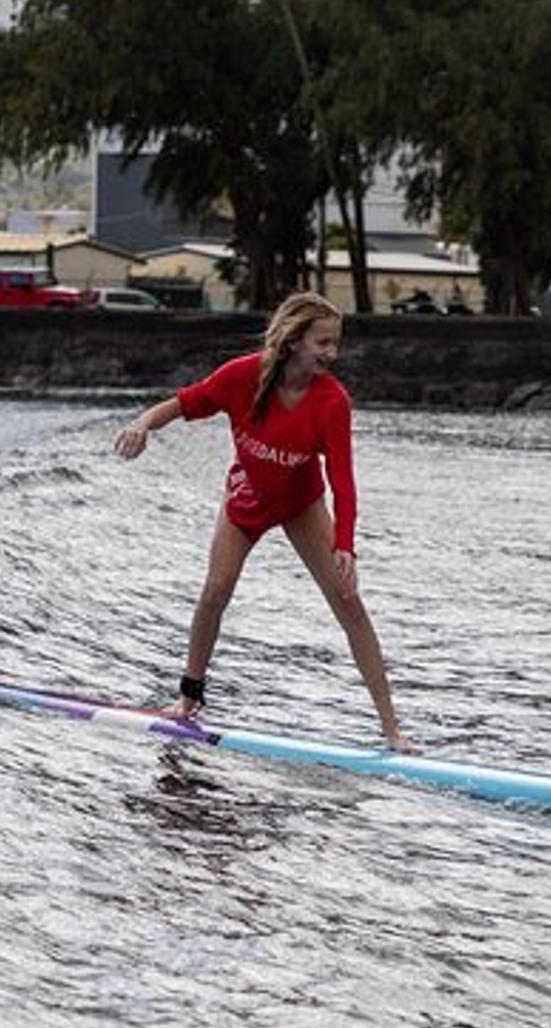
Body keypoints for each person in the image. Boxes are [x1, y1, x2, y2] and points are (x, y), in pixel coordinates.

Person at [113, 291, 415, 752]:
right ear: (293, 341)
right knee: (216, 589)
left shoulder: (332, 401)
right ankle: (187, 700)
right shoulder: (242, 377)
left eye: (336, 344)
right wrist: (141, 424)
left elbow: (344, 482)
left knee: (349, 601)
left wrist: (346, 546)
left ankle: (392, 729)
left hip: (301, 504)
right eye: (323, 343)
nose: (332, 354)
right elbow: (181, 403)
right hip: (248, 499)